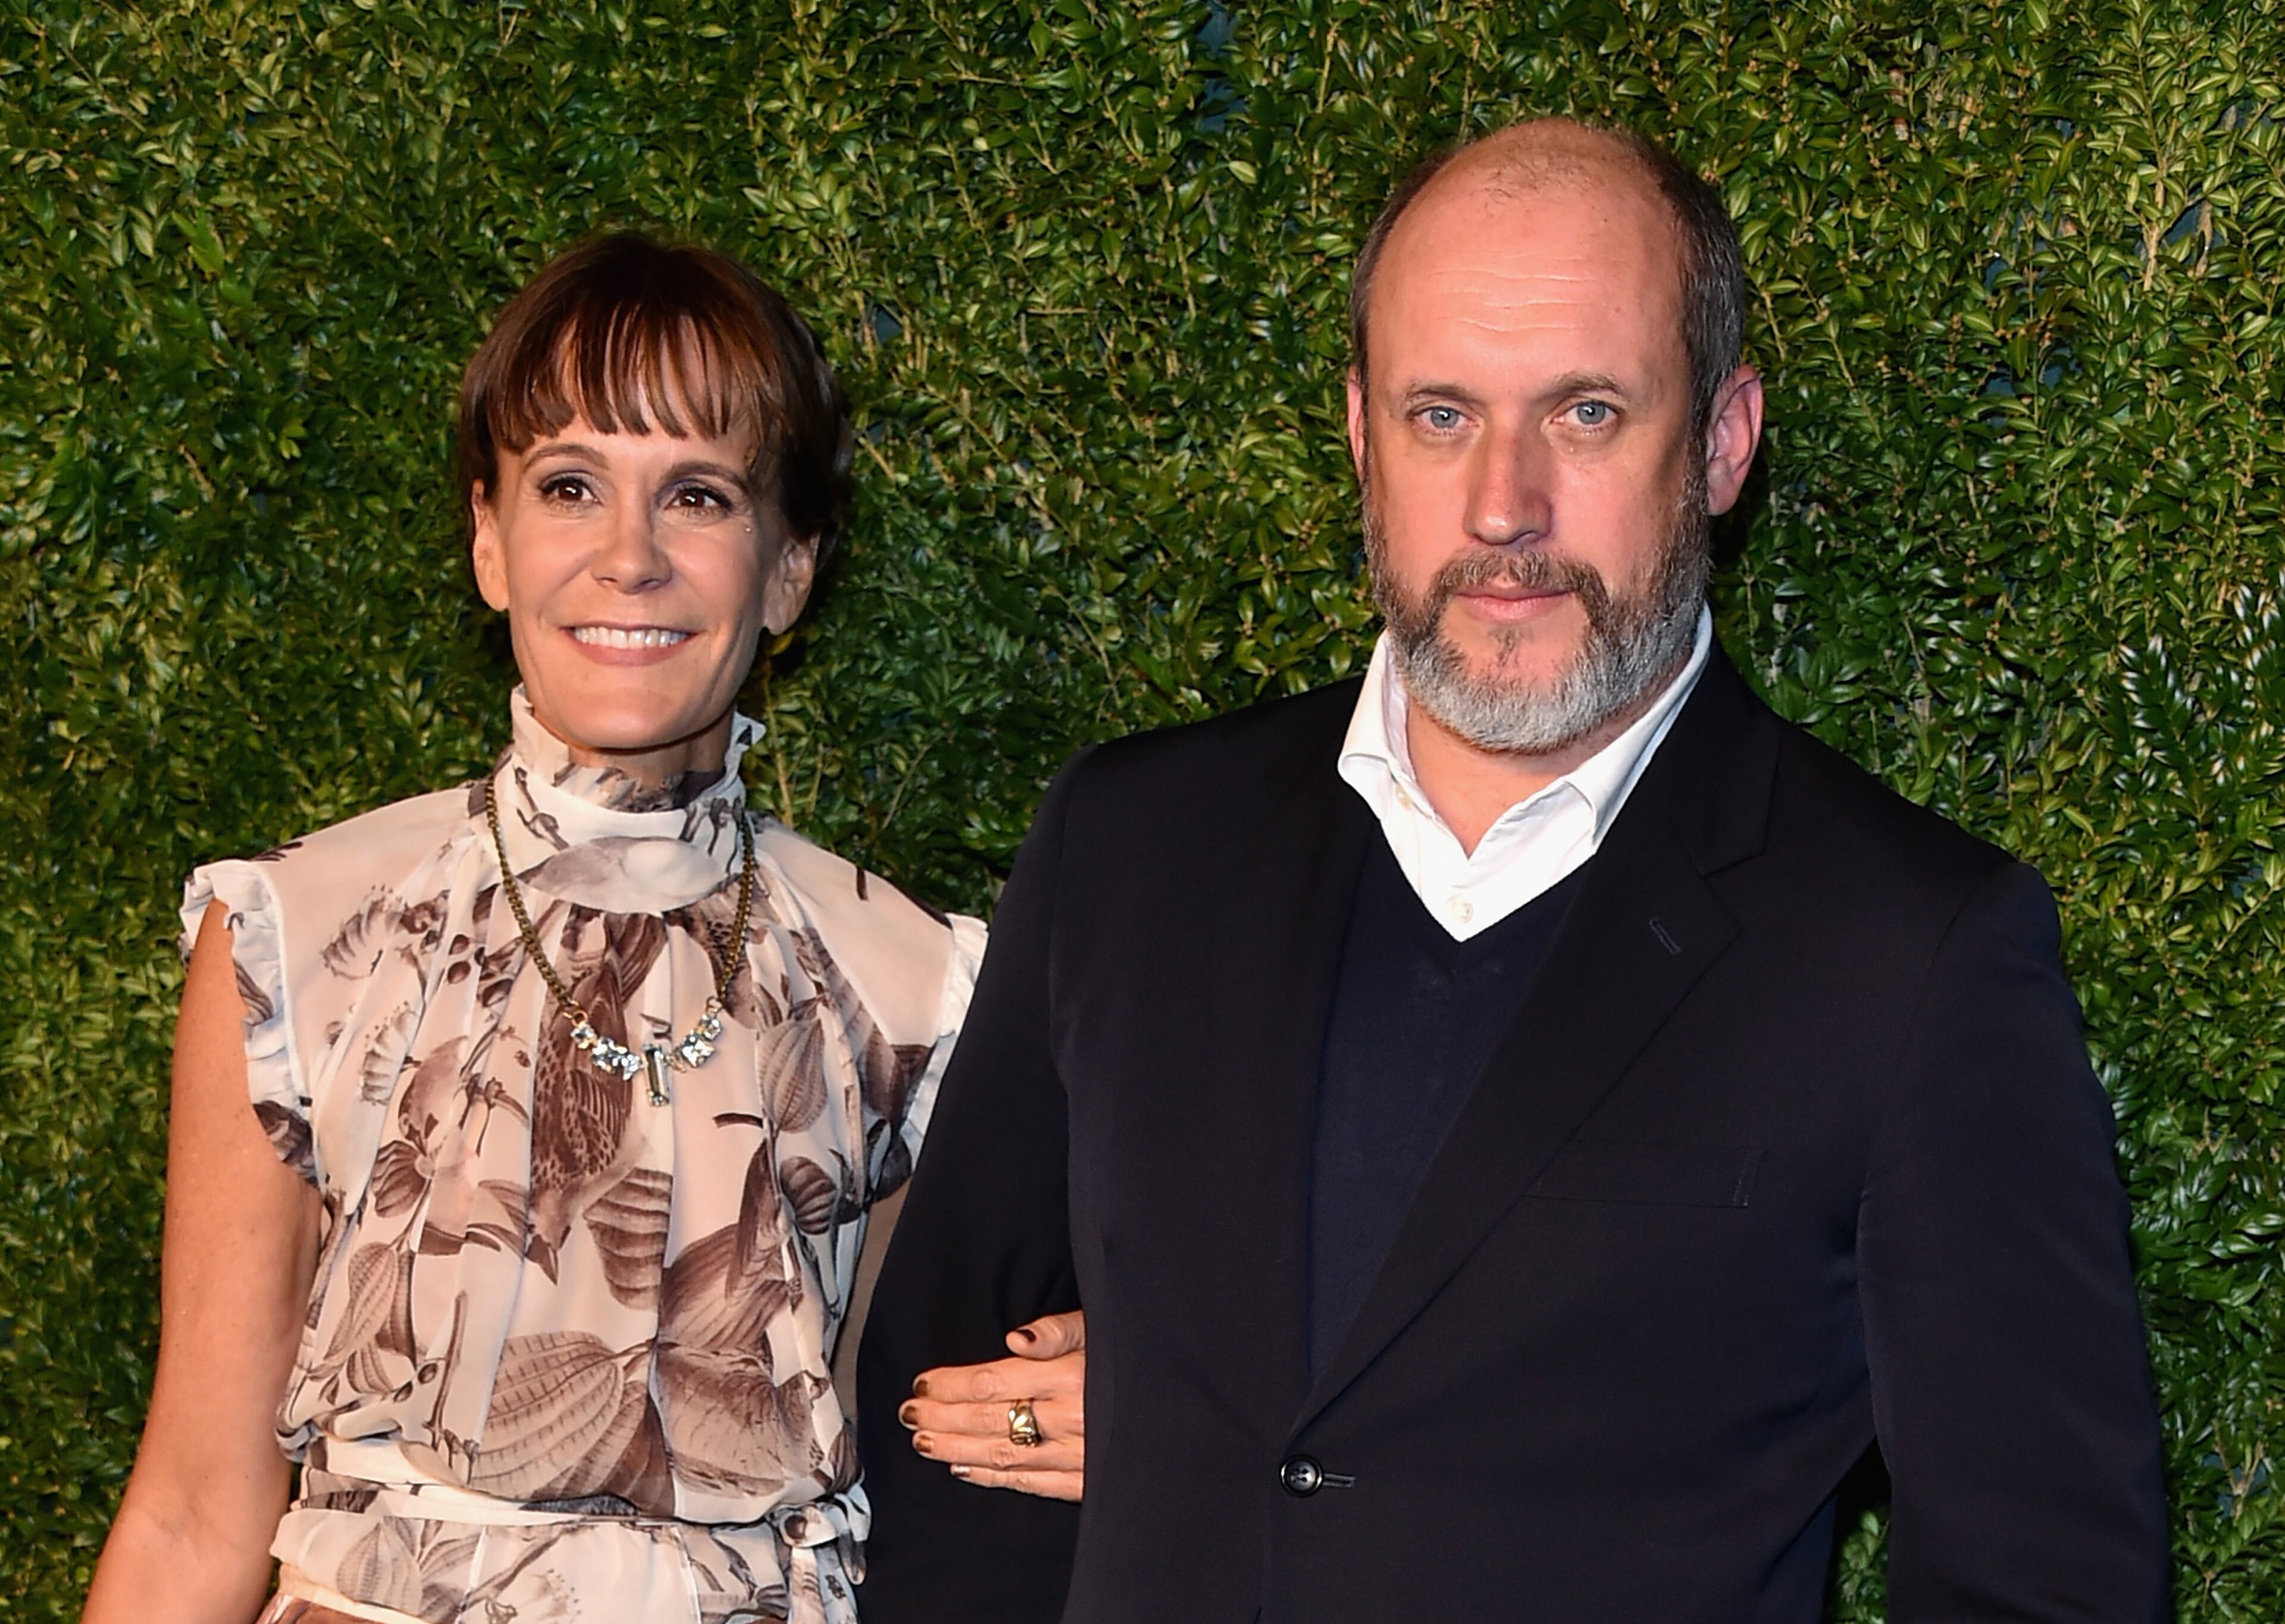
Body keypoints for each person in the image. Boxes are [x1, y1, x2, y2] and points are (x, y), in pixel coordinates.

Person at [856, 117, 2169, 1620]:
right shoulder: (1132, 842)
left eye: (1589, 413)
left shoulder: (1914, 951)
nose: (1503, 505)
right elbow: (946, 1419)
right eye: (1440, 415)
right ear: (1359, 435)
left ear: (1726, 442)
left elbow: (2045, 1580)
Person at [82, 231, 1078, 1624]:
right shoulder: (296, 942)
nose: (629, 557)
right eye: (569, 486)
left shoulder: (913, 990)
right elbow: (194, 1509)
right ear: (490, 542)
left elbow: (914, 1479)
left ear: (789, 571)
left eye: (698, 495)